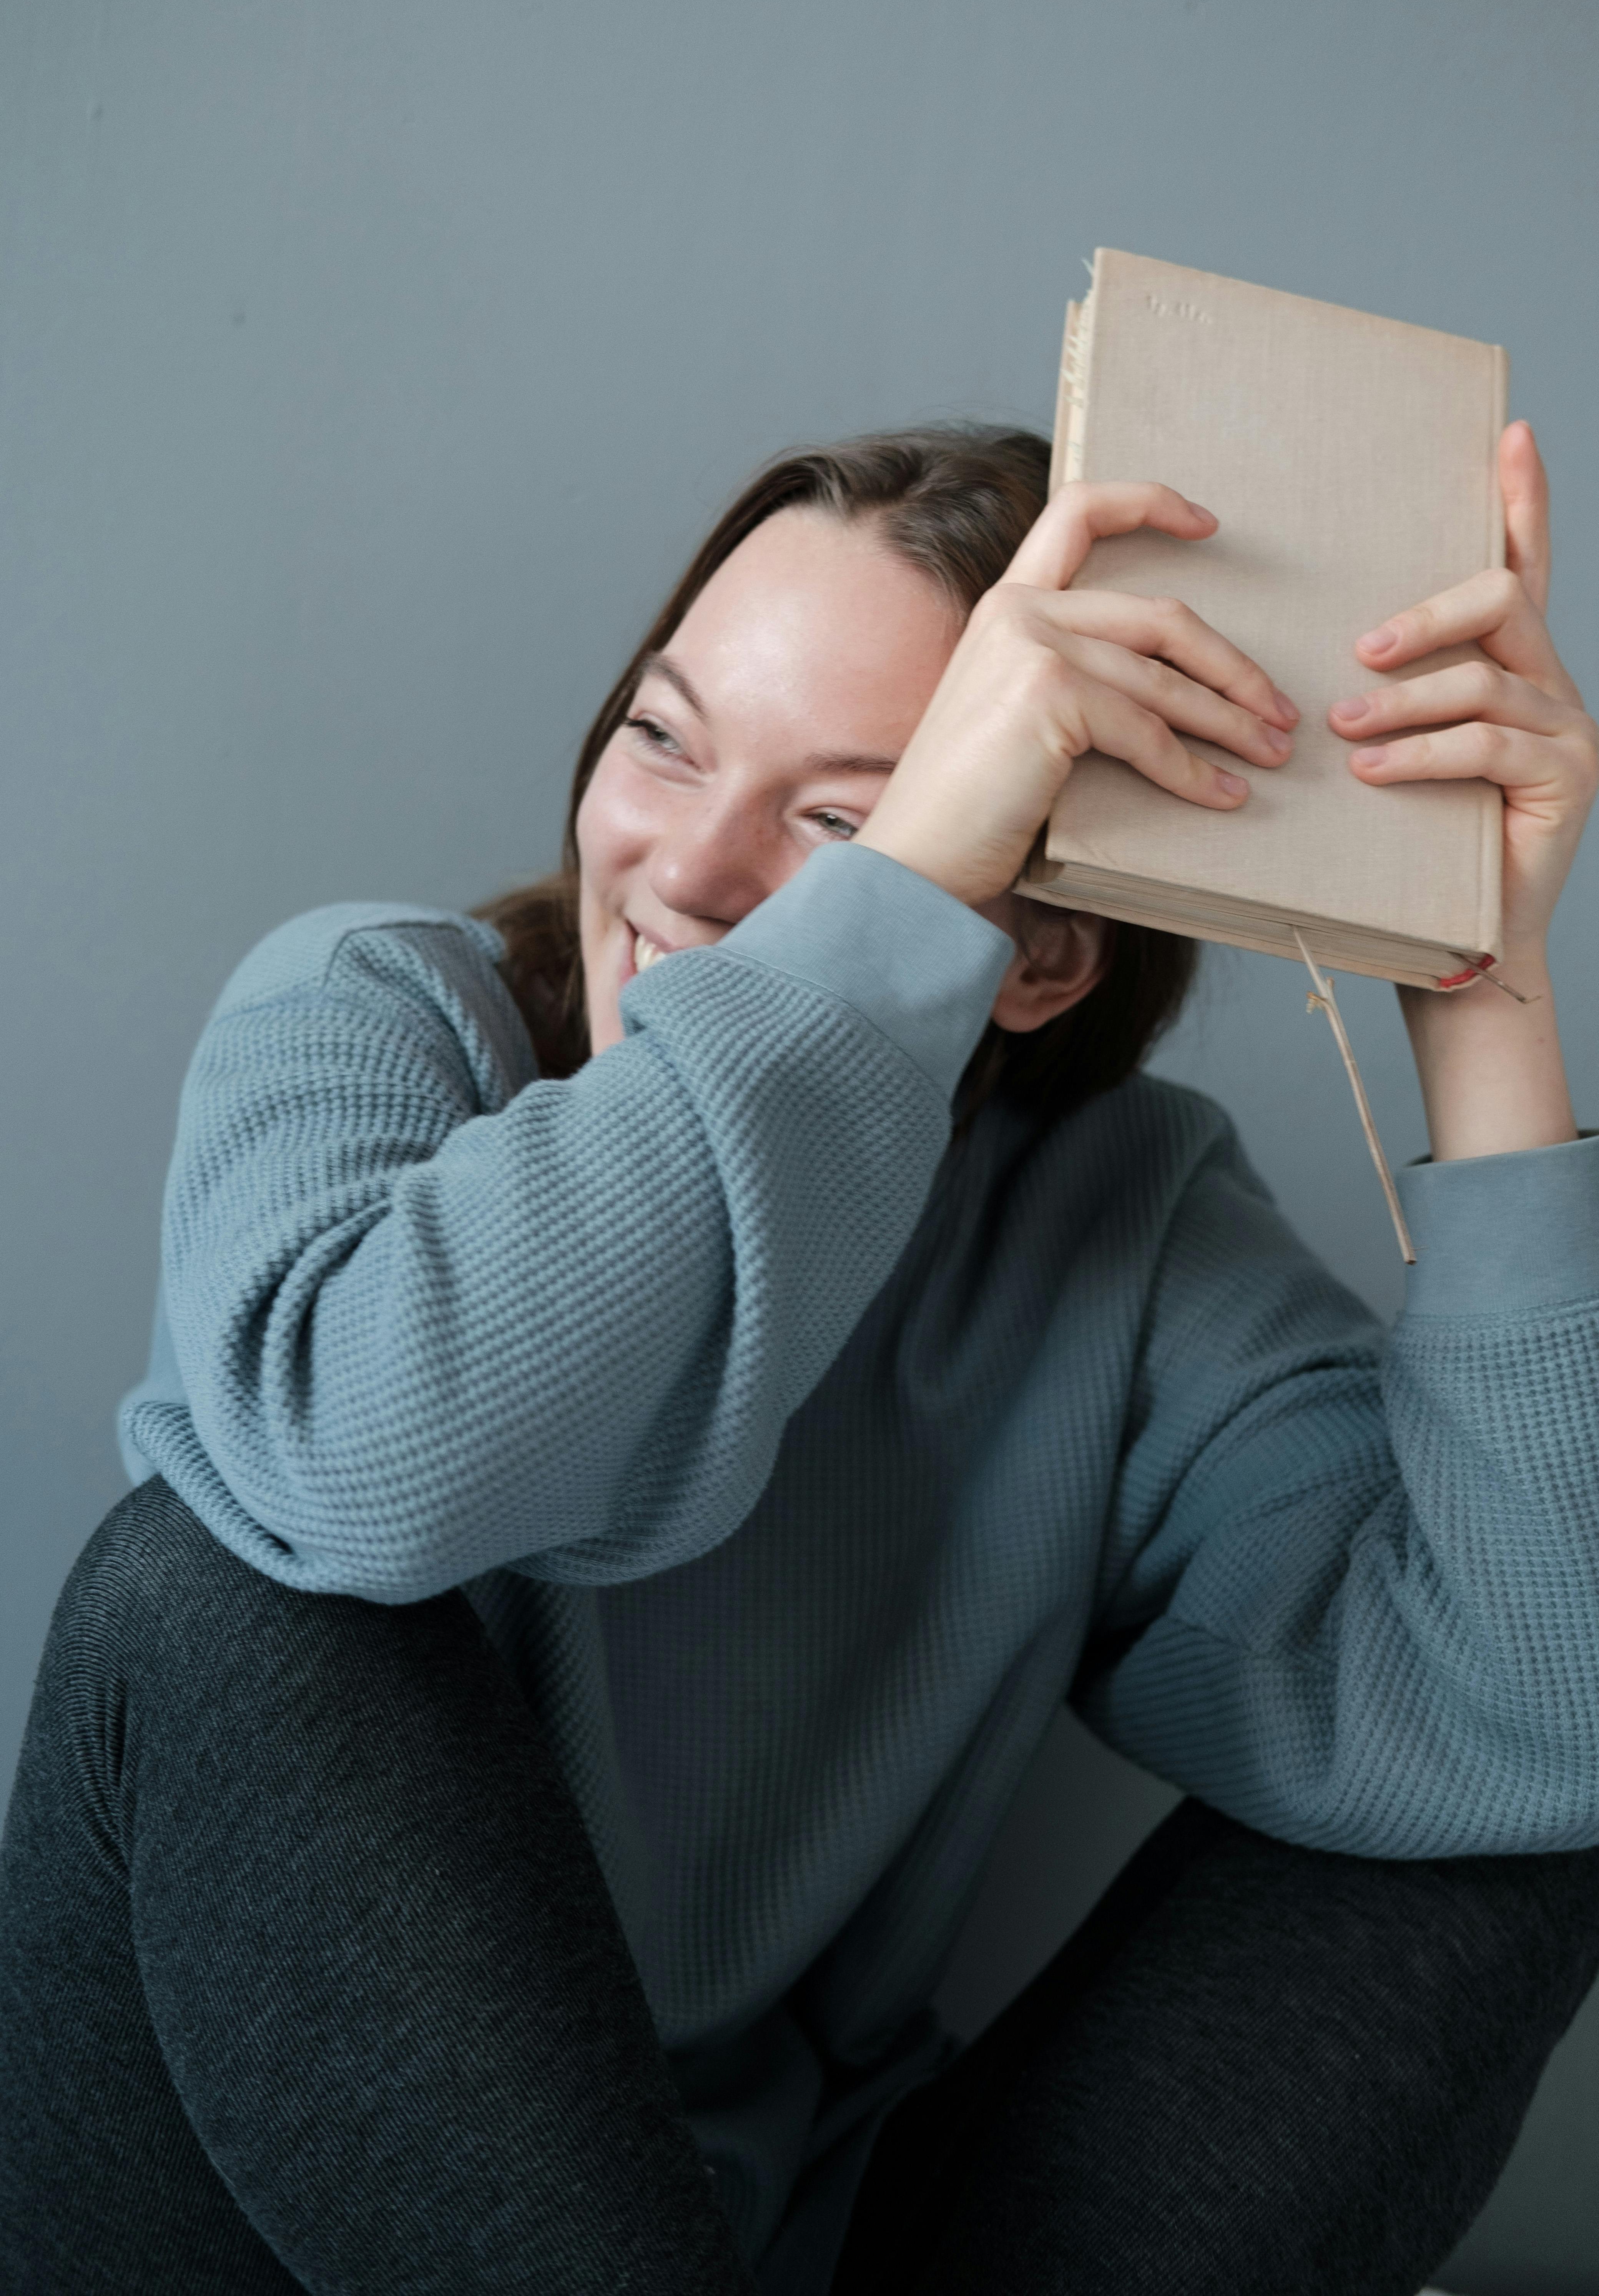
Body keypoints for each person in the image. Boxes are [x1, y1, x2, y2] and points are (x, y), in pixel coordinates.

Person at [4, 423, 1599, 2296]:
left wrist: (1482, 986)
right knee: (211, 1590)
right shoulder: (375, 1016)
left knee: (1531, 1787)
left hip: (763, 2239)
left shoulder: (1111, 1226)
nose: (679, 870)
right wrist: (917, 863)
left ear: (1041, 955)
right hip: (230, 2226)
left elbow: (1531, 1721)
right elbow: (366, 1468)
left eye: (842, 822)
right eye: (664, 736)